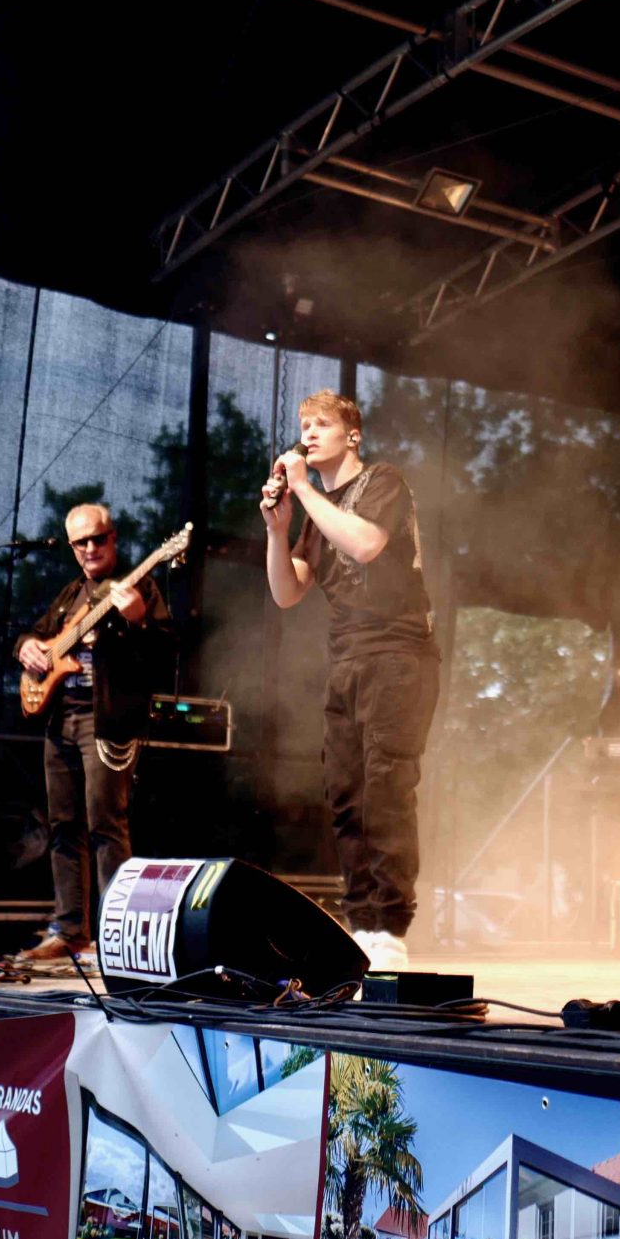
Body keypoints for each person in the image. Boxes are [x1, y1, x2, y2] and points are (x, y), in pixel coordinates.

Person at [261, 391, 441, 970]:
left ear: (352, 435)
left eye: (321, 424)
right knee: (346, 796)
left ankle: (390, 925)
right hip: (346, 661)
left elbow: (365, 544)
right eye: (303, 426)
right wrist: (278, 530)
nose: (308, 434)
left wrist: (304, 489)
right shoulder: (317, 513)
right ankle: (362, 923)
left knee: (386, 790)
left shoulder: (383, 481)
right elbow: (287, 592)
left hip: (398, 654)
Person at [14, 502, 169, 963]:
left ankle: (114, 935)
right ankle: (69, 931)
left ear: (113, 538)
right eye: (80, 542)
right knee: (62, 826)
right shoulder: (69, 594)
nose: (89, 548)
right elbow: (33, 635)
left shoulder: (139, 585)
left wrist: (138, 620)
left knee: (106, 824)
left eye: (97, 538)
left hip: (106, 721)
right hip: (60, 717)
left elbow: (166, 650)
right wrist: (27, 648)